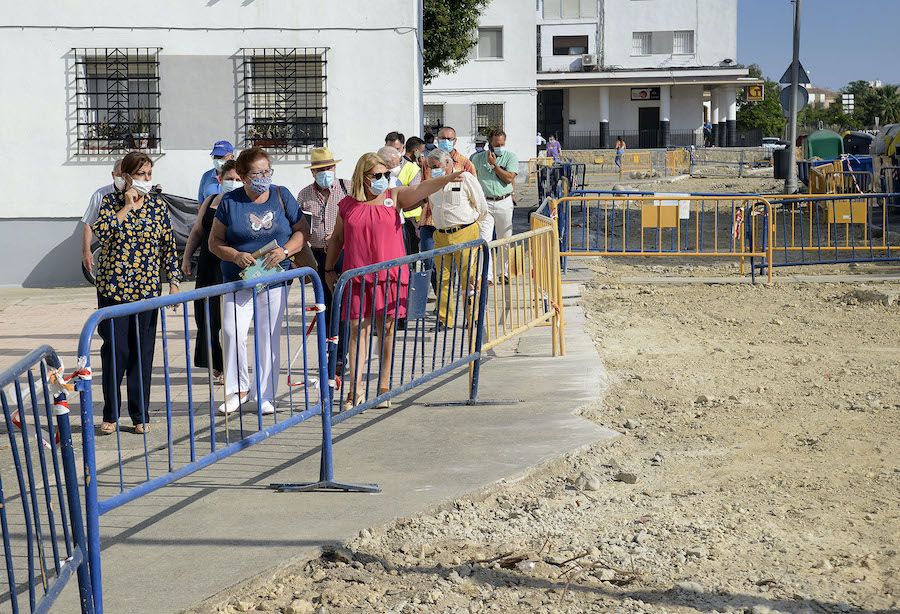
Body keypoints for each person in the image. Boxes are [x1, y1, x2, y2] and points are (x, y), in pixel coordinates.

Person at [323, 153, 463, 411]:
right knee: (357, 332)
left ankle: (384, 385)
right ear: (362, 177)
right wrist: (329, 269)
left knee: (386, 331)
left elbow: (420, 189)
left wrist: (446, 178)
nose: (382, 180)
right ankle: (356, 388)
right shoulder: (347, 204)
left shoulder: (393, 196)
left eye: (385, 175)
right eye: (376, 176)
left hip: (390, 276)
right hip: (357, 276)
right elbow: (337, 239)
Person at [208, 147, 310, 416]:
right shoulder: (230, 202)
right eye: (257, 173)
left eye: (267, 171)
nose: (264, 177)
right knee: (231, 332)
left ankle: (265, 394)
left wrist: (285, 251)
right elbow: (214, 243)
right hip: (238, 279)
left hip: (274, 278)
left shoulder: (281, 194)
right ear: (242, 175)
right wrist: (235, 255)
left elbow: (301, 232)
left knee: (268, 337)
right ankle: (237, 390)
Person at [92, 151, 181, 435]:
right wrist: (126, 208)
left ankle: (140, 414)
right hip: (114, 290)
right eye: (141, 175)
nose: (145, 180)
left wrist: (174, 281)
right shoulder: (109, 201)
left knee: (141, 354)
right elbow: (102, 233)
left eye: (149, 175)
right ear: (126, 175)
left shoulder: (157, 206)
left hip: (146, 291)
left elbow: (168, 245)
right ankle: (110, 414)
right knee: (116, 352)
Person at [181, 160, 243, 383]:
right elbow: (197, 232)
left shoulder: (242, 203)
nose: (234, 183)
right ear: (220, 179)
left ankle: (230, 366)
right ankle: (215, 362)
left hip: (231, 265)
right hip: (208, 265)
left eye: (238, 179)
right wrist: (187, 257)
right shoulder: (209, 201)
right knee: (206, 317)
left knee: (227, 319)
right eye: (230, 179)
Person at [424, 149, 487, 330]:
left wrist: (474, 226)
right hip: (441, 235)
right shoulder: (432, 184)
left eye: (436, 167)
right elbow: (434, 206)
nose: (433, 170)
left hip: (465, 232)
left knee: (469, 278)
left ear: (448, 164)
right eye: (430, 167)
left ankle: (472, 317)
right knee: (442, 279)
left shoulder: (465, 178)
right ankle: (444, 319)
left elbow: (481, 204)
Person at [296, 146, 349, 309]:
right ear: (313, 172)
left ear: (334, 168)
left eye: (328, 168)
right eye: (320, 169)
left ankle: (344, 334)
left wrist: (339, 234)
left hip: (344, 252)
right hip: (318, 254)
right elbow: (300, 226)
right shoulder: (304, 194)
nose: (325, 172)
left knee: (346, 299)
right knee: (324, 300)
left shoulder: (348, 188)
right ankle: (328, 334)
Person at [420, 126, 477, 280]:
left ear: (455, 140)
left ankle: (467, 301)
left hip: (458, 225)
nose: (446, 141)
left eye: (449, 138)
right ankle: (443, 301)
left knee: (464, 269)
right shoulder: (427, 162)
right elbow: (422, 188)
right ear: (437, 139)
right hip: (430, 220)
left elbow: (475, 196)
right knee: (432, 265)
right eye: (442, 138)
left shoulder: (465, 163)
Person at [471, 130, 519, 244]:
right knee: (484, 240)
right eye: (497, 145)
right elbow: (473, 180)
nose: (500, 147)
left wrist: (494, 165)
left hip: (504, 201)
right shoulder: (477, 159)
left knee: (504, 239)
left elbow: (508, 178)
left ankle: (503, 262)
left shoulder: (510, 157)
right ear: (490, 144)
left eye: (502, 144)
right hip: (485, 202)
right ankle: (487, 262)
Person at [82, 159, 122, 274]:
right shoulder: (101, 195)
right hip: (108, 252)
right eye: (119, 175)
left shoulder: (137, 196)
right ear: (113, 175)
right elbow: (88, 223)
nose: (123, 179)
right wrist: (86, 251)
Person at [397, 136, 426, 255]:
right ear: (416, 151)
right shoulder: (413, 168)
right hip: (412, 215)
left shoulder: (399, 165)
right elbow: (416, 193)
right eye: (422, 152)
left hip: (400, 213)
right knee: (412, 251)